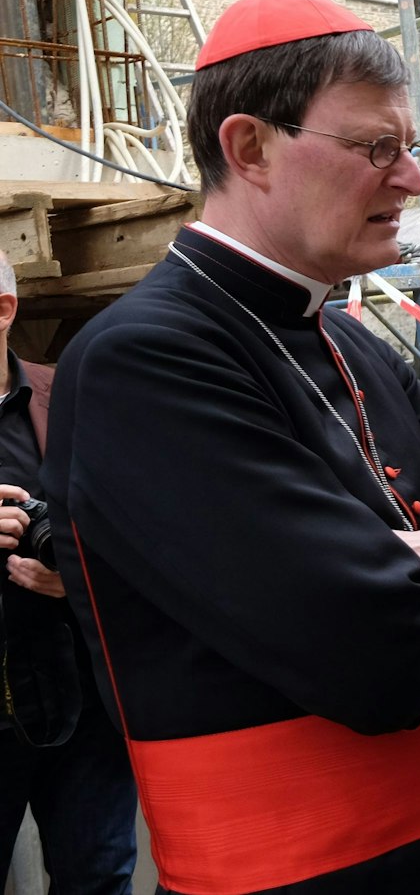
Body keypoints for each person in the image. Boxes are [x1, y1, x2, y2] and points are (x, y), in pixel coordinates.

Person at [44, 0, 420, 893]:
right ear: (249, 147)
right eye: (379, 147)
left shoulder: (349, 333)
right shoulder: (141, 362)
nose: (410, 179)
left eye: (408, 150)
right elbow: (384, 659)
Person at [0, 253, 138, 895]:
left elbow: (151, 521)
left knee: (98, 876)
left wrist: (86, 576)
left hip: (83, 700)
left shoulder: (78, 391)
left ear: (4, 311)